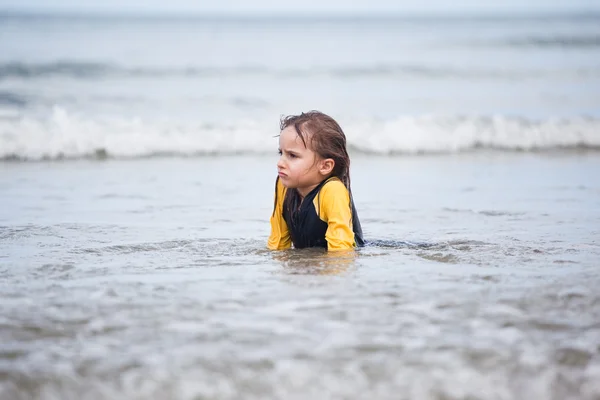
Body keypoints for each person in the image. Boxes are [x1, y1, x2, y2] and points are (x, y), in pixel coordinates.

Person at [268, 111, 364, 251]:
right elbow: (277, 243)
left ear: (325, 166)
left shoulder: (332, 191)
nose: (280, 163)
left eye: (292, 155)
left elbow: (341, 252)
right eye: (281, 153)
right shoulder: (283, 185)